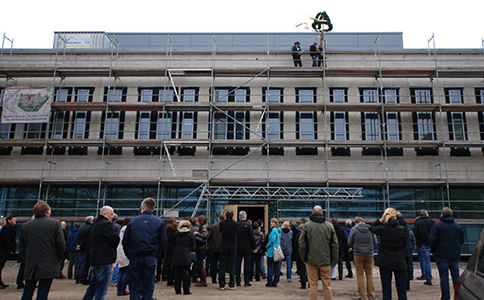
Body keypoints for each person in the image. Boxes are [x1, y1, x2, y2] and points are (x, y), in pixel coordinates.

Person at [122, 197, 167, 300]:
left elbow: (126, 241)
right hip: (150, 256)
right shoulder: (159, 222)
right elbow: (163, 242)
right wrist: (157, 254)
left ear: (143, 207)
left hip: (135, 256)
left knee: (134, 287)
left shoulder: (133, 222)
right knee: (148, 287)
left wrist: (130, 254)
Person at [20, 201, 65, 300]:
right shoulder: (55, 224)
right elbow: (61, 244)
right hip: (48, 262)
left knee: (27, 291)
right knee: (43, 292)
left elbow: (22, 247)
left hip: (31, 263)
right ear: (47, 212)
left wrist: (27, 258)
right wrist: (59, 258)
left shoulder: (26, 226)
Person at [299, 205, 338, 300]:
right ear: (322, 213)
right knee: (327, 286)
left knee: (313, 286)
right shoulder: (329, 226)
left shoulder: (307, 226)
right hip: (326, 260)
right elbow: (335, 245)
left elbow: (302, 243)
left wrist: (304, 258)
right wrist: (334, 260)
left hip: (311, 260)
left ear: (312, 213)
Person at [370, 207, 408, 300]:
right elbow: (405, 244)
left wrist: (380, 220)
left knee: (386, 288)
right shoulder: (403, 229)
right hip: (399, 259)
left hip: (385, 260)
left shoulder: (382, 229)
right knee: (401, 289)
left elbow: (371, 227)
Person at [82, 206, 119, 300]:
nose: (113, 217)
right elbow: (115, 239)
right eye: (111, 214)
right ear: (104, 214)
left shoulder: (95, 224)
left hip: (96, 259)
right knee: (101, 290)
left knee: (93, 288)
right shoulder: (106, 225)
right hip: (104, 259)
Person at [429, 207, 464, 300]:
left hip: (442, 254)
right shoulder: (457, 226)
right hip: (454, 254)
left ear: (442, 215)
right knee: (456, 276)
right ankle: (458, 295)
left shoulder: (438, 225)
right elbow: (462, 240)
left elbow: (432, 240)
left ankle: (445, 297)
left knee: (444, 277)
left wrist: (434, 250)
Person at [348, 216, 377, 300]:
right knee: (369, 274)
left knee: (360, 274)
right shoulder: (371, 229)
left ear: (356, 222)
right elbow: (375, 242)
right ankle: (371, 296)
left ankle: (362, 296)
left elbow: (350, 242)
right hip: (369, 254)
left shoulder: (354, 229)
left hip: (358, 253)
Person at [412, 209, 435, 285]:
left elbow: (415, 233)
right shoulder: (432, 222)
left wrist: (417, 243)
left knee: (425, 261)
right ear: (427, 214)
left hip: (423, 244)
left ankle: (427, 276)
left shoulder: (418, 222)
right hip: (432, 243)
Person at [172, 220, 195, 295]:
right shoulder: (189, 234)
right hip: (185, 253)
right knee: (186, 273)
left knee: (177, 273)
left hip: (177, 252)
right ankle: (186, 290)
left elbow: (174, 242)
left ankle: (177, 289)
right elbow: (193, 245)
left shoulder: (177, 234)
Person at [218, 209, 238, 290]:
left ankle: (222, 284)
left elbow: (221, 231)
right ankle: (232, 283)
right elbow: (237, 232)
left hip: (224, 244)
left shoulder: (222, 223)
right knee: (232, 265)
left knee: (222, 264)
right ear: (233, 215)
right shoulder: (235, 224)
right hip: (232, 245)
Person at [236, 210, 256, 287]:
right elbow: (252, 237)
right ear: (245, 217)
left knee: (237, 264)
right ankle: (246, 281)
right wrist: (254, 247)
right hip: (247, 248)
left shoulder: (236, 225)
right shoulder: (248, 225)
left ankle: (238, 281)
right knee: (247, 265)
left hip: (238, 247)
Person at [397, 212, 416, 291]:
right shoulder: (406, 227)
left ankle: (400, 285)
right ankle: (407, 284)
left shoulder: (396, 227)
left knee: (399, 269)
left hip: (400, 251)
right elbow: (411, 239)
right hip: (408, 250)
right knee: (407, 268)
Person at [0, 214, 16, 288]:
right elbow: (5, 239)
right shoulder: (8, 228)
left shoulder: (8, 228)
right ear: (9, 220)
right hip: (4, 250)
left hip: (4, 250)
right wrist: (9, 248)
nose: (15, 220)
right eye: (13, 219)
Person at [76, 215, 94, 285]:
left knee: (80, 264)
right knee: (84, 264)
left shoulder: (82, 227)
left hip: (81, 248)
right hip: (85, 248)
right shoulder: (89, 228)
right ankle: (82, 278)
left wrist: (78, 245)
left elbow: (78, 238)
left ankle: (78, 278)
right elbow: (86, 239)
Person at [207, 213, 224, 284]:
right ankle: (221, 278)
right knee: (222, 264)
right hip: (222, 247)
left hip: (214, 247)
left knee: (214, 263)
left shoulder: (214, 226)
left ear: (218, 219)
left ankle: (213, 278)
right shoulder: (225, 226)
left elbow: (210, 237)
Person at [265, 218, 282, 288]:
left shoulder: (273, 231)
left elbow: (272, 240)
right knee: (277, 267)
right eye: (270, 222)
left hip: (271, 251)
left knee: (270, 266)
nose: (271, 223)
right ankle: (275, 281)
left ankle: (270, 281)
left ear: (275, 223)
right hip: (277, 250)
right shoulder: (279, 231)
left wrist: (267, 245)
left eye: (273, 222)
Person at [116, 217, 131, 296]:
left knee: (121, 271)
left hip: (120, 251)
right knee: (126, 271)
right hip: (125, 251)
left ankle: (119, 289)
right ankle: (123, 289)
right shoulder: (127, 229)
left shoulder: (121, 229)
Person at [194, 215, 209, 287]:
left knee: (200, 264)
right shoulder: (202, 226)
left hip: (201, 247)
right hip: (200, 247)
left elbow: (205, 235)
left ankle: (203, 280)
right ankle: (203, 280)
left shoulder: (203, 227)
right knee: (200, 263)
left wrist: (197, 234)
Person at [164, 217, 177, 286]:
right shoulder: (175, 231)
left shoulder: (166, 230)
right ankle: (172, 279)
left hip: (168, 247)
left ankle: (168, 279)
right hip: (173, 247)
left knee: (168, 264)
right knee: (173, 264)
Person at [294, 223, 307, 289]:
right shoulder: (307, 235)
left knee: (301, 269)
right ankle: (310, 282)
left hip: (299, 253)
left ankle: (303, 283)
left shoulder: (298, 235)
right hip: (307, 254)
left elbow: (296, 243)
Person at [111, 214, 121, 286]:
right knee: (117, 263)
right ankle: (115, 279)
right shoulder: (117, 226)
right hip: (116, 246)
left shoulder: (106, 226)